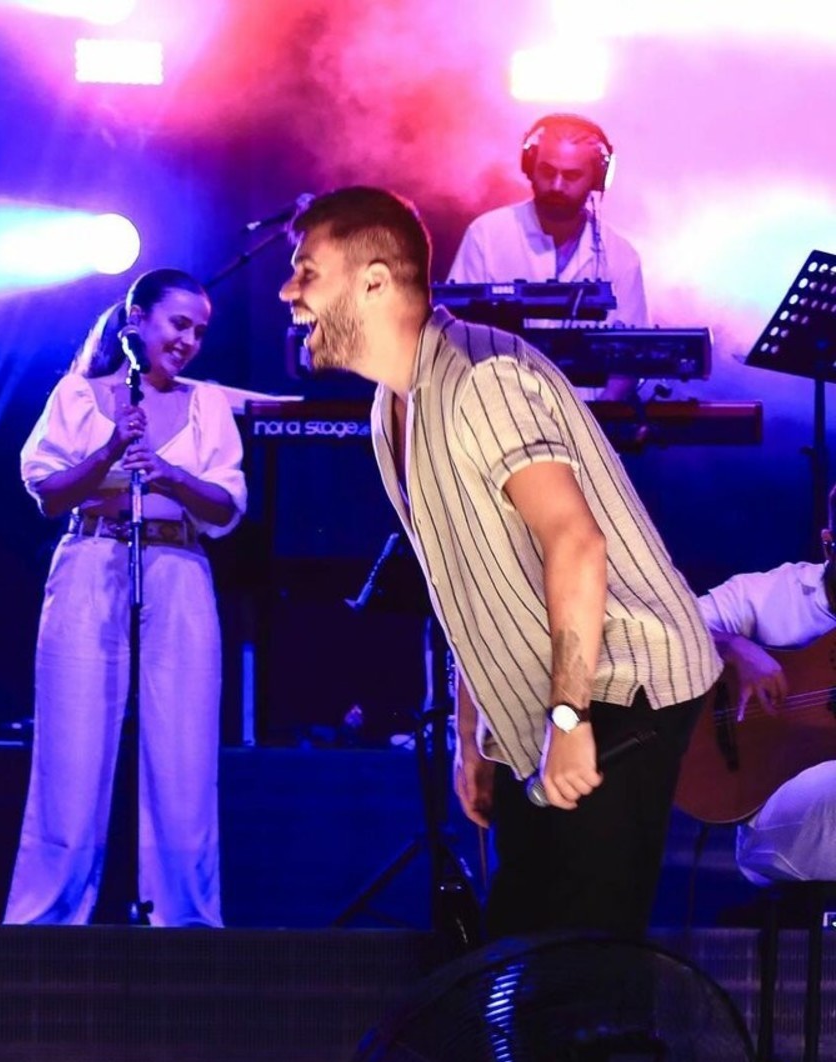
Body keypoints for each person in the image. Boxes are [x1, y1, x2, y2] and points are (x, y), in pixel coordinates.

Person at [280, 186, 720, 940]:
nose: (289, 293)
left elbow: (575, 543)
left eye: (307, 273)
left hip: (621, 685)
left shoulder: (481, 380)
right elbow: (467, 590)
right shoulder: (391, 409)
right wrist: (473, 736)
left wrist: (570, 718)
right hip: (552, 703)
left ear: (374, 282)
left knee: (578, 953)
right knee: (521, 949)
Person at [4, 269, 247, 927]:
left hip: (179, 564)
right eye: (178, 324)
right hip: (91, 560)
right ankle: (48, 919)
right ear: (137, 319)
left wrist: (168, 473)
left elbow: (226, 504)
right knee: (72, 746)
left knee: (184, 752)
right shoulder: (78, 395)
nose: (189, 340)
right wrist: (111, 448)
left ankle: (185, 920)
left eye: (200, 331)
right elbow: (47, 493)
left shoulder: (207, 403)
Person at [447, 113, 647, 401]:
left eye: (572, 175)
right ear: (529, 167)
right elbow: (454, 337)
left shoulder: (622, 257)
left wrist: (593, 422)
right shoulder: (486, 235)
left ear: (598, 178)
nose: (556, 185)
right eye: (547, 171)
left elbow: (630, 363)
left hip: (590, 420)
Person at [697, 489, 836, 884]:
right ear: (829, 543)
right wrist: (735, 648)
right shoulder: (773, 593)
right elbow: (670, 629)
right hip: (772, 813)